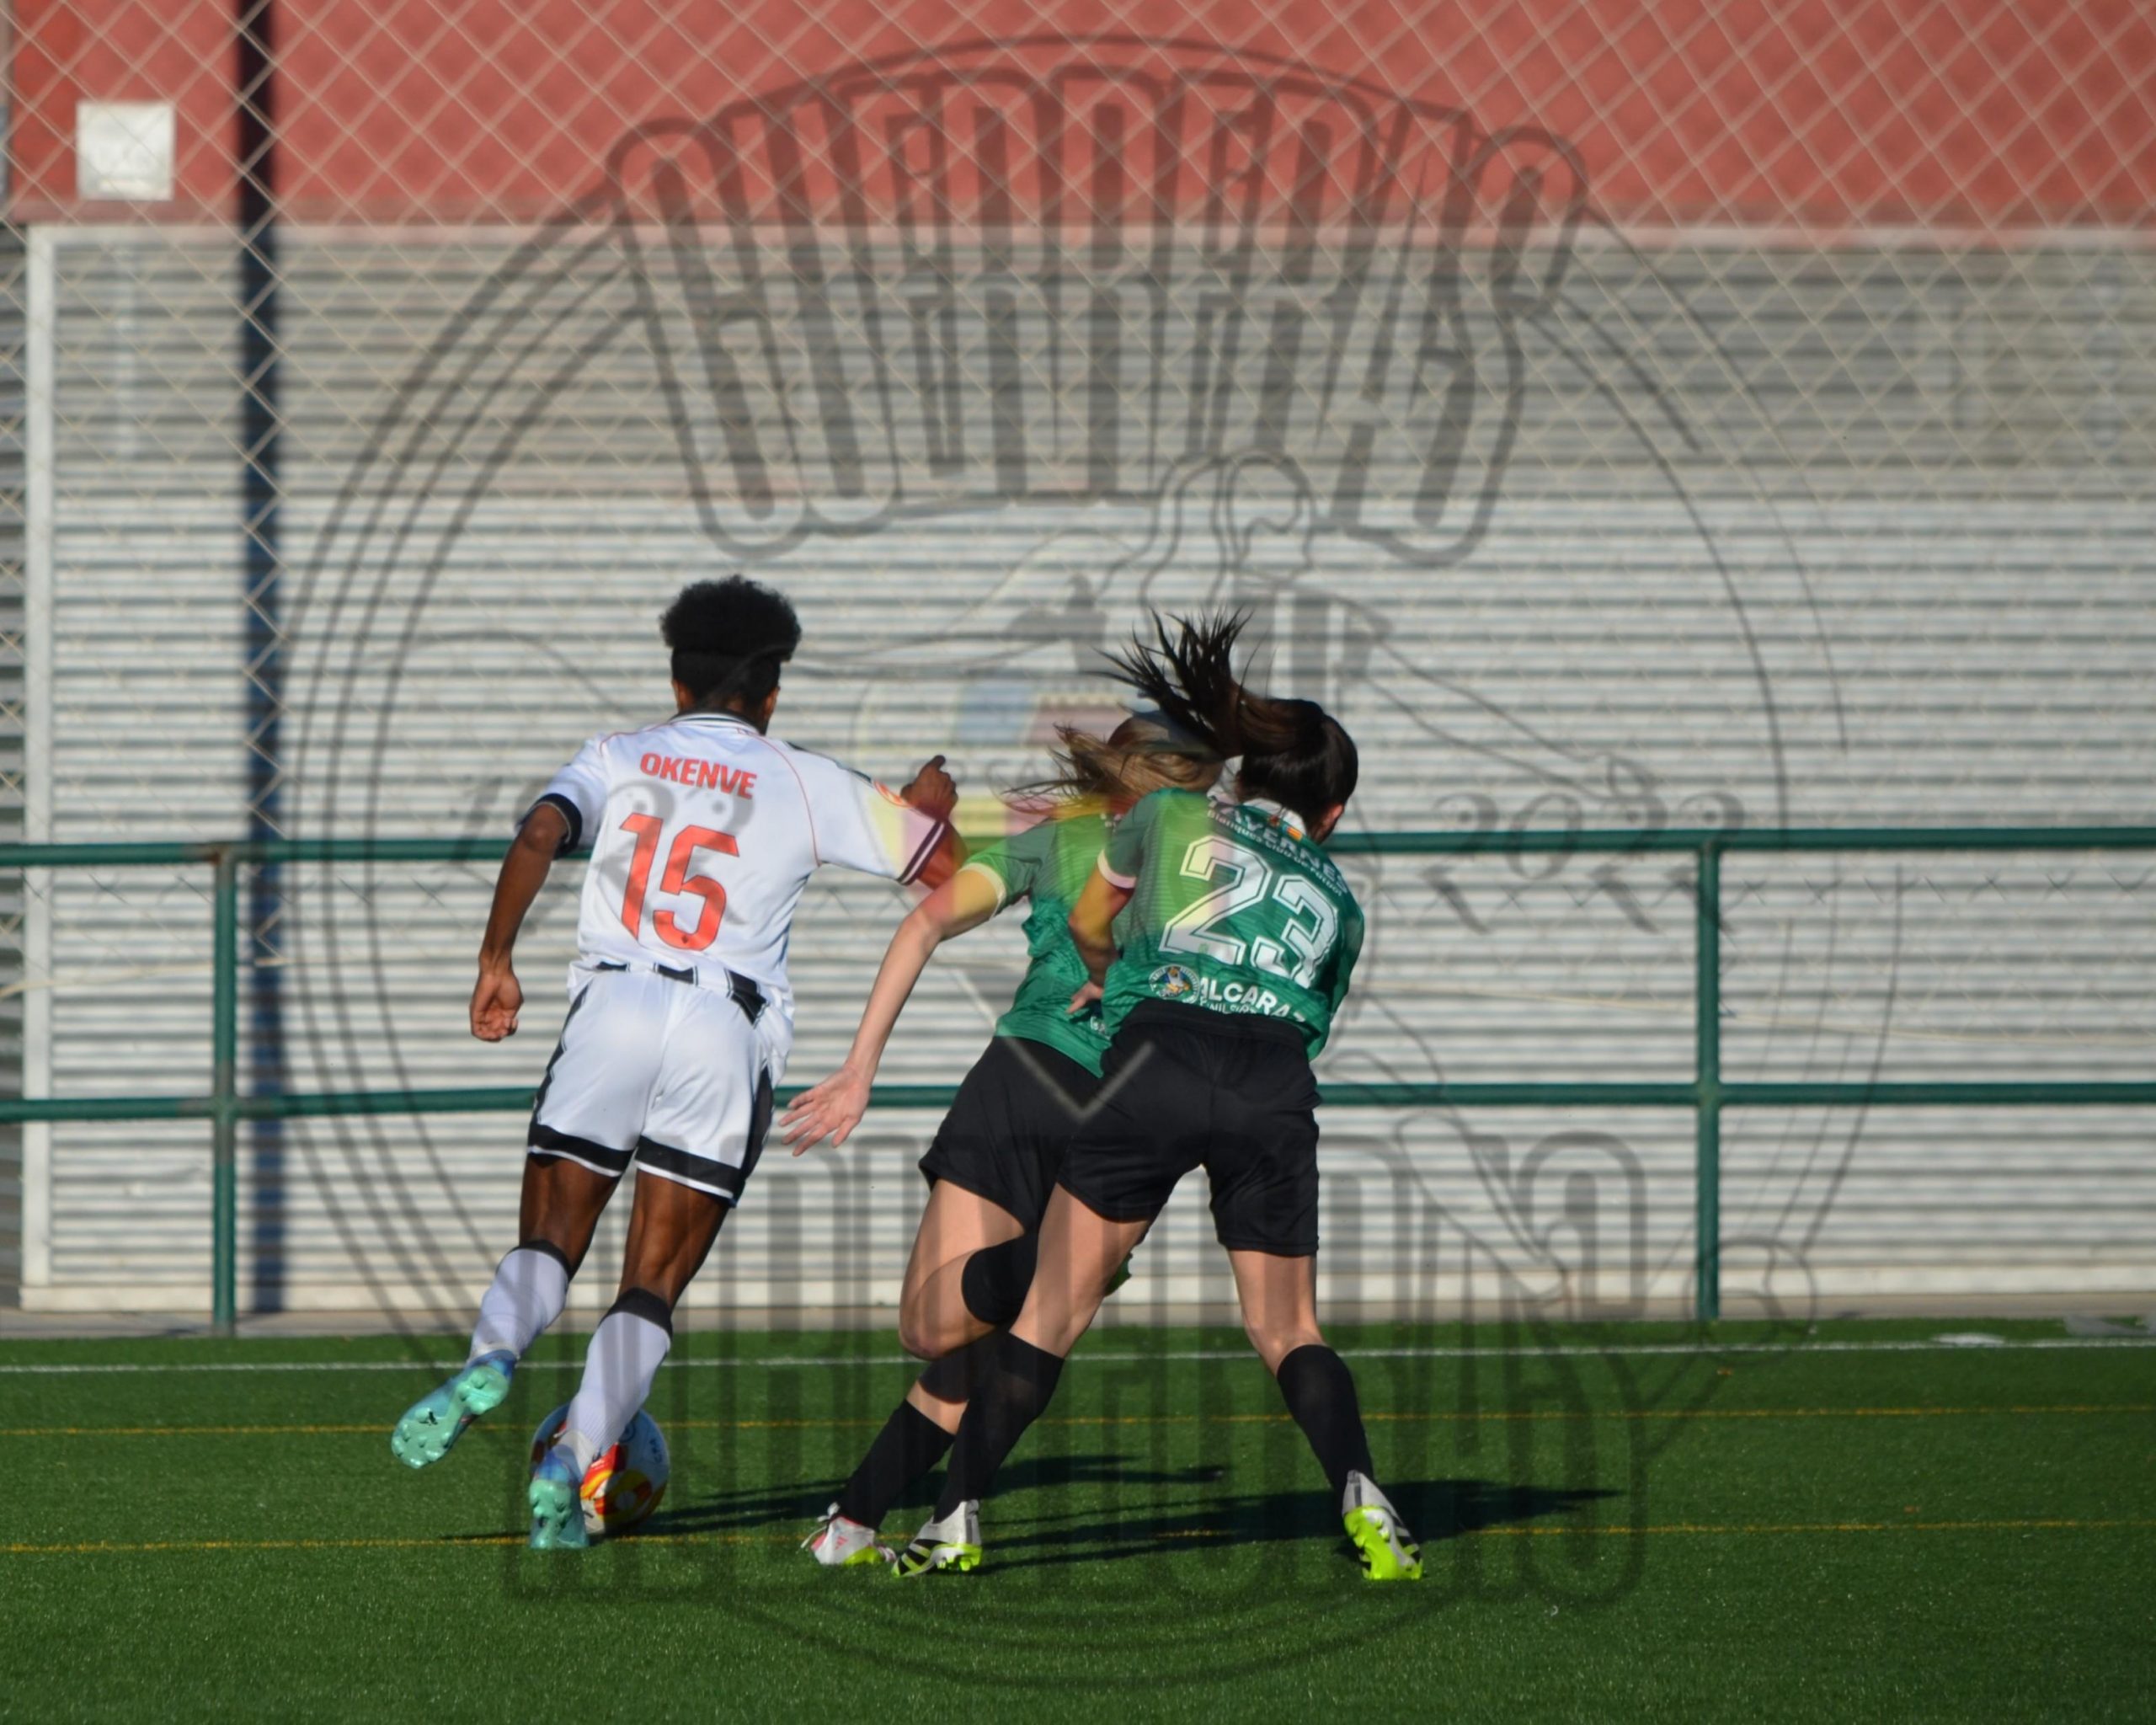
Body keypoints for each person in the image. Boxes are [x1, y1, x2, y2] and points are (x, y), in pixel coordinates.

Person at [388, 574, 960, 1549]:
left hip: (612, 1005)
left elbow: (540, 832)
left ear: (676, 680)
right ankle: (575, 1454)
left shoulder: (616, 754)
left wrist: (495, 960)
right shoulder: (803, 777)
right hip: (723, 1027)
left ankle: (493, 1354)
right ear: (769, 693)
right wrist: (929, 806)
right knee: (650, 1282)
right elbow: (946, 869)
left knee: (548, 1240)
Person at [894, 611, 1423, 1581]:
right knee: (1288, 1327)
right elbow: (1308, 1020)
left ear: (1243, 776)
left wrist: (1112, 980)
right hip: (1271, 1080)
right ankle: (1361, 1489)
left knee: (1051, 1306)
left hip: (1159, 1060)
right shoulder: (1342, 902)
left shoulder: (1171, 815)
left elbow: (1095, 919)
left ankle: (952, 1519)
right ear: (1333, 813)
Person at [780, 710, 1224, 1565]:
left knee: (932, 1325)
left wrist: (859, 1067)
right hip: (1141, 1107)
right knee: (995, 1337)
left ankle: (1049, 1267)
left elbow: (925, 922)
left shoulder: (1061, 838)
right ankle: (855, 1522)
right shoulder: (1221, 863)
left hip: (1030, 1079)